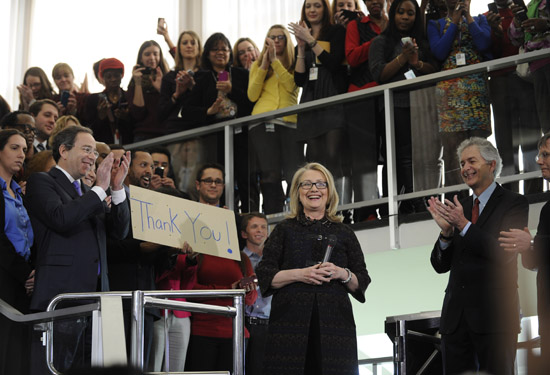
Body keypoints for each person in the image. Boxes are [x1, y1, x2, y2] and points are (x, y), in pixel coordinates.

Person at [26, 126, 131, 373]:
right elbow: (60, 218)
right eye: (86, 149)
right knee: (53, 367)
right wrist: (98, 189)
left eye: (94, 152)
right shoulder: (42, 181)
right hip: (61, 296)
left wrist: (116, 188)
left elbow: (119, 232)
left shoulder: (87, 192)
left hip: (95, 299)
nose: (93, 157)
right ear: (63, 150)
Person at [255, 162, 371, 375]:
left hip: (335, 327)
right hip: (289, 326)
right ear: (297, 193)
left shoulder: (345, 232)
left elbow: (362, 280)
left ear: (329, 192)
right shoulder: (283, 230)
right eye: (306, 184)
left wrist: (341, 273)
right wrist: (301, 274)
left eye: (320, 184)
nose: (314, 189)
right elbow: (265, 275)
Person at [427, 137, 528, 375]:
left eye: (472, 161)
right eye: (462, 163)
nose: (465, 168)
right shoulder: (458, 207)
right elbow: (440, 265)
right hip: (455, 322)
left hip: (495, 319)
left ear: (492, 164)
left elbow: (503, 254)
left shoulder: (514, 204)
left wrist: (463, 225)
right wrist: (446, 233)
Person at [185, 163, 257, 373]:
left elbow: (251, 297)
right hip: (202, 330)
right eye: (209, 180)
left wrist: (236, 291)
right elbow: (187, 291)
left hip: (236, 333)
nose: (214, 185)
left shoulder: (241, 258)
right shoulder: (194, 253)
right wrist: (228, 291)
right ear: (198, 185)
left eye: (218, 181)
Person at [369, 0, 437, 213]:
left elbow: (435, 69)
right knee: (398, 155)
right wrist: (402, 58)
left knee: (423, 156)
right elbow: (379, 74)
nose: (406, 17)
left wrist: (416, 63)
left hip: (421, 104)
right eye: (401, 13)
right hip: (393, 106)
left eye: (410, 13)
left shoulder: (422, 42)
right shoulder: (381, 42)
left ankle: (421, 200)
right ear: (393, 13)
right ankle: (399, 203)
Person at [427, 0, 492, 191]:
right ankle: (456, 199)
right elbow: (439, 52)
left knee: (480, 149)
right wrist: (454, 21)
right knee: (453, 152)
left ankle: (484, 196)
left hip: (476, 92)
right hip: (449, 95)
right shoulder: (435, 24)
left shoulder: (480, 20)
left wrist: (468, 18)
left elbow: (484, 43)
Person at [498, 133, 550, 371]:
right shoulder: (548, 208)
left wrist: (531, 245)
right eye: (540, 154)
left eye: (546, 155)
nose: (539, 161)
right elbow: (535, 262)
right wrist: (525, 247)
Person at [289, 0, 349, 201]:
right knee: (314, 158)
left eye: (317, 5)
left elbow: (334, 64)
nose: (312, 10)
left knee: (333, 156)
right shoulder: (303, 38)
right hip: (310, 101)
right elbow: (298, 79)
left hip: (331, 97)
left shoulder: (336, 31)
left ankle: (339, 207)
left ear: (326, 8)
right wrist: (300, 47)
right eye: (308, 6)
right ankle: (318, 206)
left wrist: (311, 41)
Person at [485, 0, 542, 195]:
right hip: (499, 80)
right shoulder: (486, 18)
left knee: (531, 138)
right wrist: (494, 30)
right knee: (504, 142)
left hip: (525, 77)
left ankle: (534, 193)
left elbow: (531, 38)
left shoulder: (523, 10)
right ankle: (508, 195)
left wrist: (520, 18)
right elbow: (486, 51)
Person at [247, 24, 301, 214]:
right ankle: (271, 214)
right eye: (272, 38)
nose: (276, 41)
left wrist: (275, 62)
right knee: (269, 173)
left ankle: (296, 214)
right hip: (262, 122)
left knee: (294, 173)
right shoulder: (257, 64)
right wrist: (264, 65)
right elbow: (252, 95)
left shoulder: (295, 62)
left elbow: (291, 87)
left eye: (280, 37)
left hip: (289, 122)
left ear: (287, 41)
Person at [345, 0, 387, 221]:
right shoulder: (356, 25)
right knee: (364, 159)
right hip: (361, 93)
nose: (373, 2)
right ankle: (367, 211)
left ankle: (392, 206)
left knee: (392, 153)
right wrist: (378, 42)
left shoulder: (396, 22)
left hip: (390, 93)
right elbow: (351, 57)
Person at [0, 129, 34, 375]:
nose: (21, 154)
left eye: (24, 149)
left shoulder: (20, 193)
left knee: (18, 354)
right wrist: (26, 274)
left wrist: (32, 272)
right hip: (4, 280)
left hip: (23, 282)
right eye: (14, 148)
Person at [508, 0, 550, 132]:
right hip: (537, 66)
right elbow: (515, 38)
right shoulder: (531, 5)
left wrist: (546, 24)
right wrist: (517, 19)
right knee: (546, 120)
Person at [241, 213, 271, 375]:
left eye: (263, 227)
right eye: (254, 226)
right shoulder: (237, 259)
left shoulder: (275, 261)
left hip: (268, 326)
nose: (260, 230)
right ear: (244, 234)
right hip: (243, 324)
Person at [158, 30, 202, 134]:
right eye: (185, 43)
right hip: (174, 131)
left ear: (199, 48)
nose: (189, 46)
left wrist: (192, 87)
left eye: (193, 42)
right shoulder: (169, 78)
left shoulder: (206, 74)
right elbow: (161, 114)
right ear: (179, 49)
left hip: (200, 131)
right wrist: (176, 95)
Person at [127, 40, 170, 141]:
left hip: (166, 133)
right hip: (143, 135)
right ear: (141, 58)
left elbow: (170, 108)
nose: (152, 58)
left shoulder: (168, 78)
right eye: (147, 54)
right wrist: (138, 82)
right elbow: (138, 113)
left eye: (155, 54)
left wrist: (160, 89)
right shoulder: (134, 80)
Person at [84, 58, 133, 145]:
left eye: (116, 75)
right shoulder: (93, 99)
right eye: (109, 76)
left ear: (122, 75)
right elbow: (88, 130)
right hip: (103, 147)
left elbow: (138, 123)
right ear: (102, 77)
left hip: (129, 144)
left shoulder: (129, 97)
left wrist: (127, 118)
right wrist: (100, 117)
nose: (113, 79)